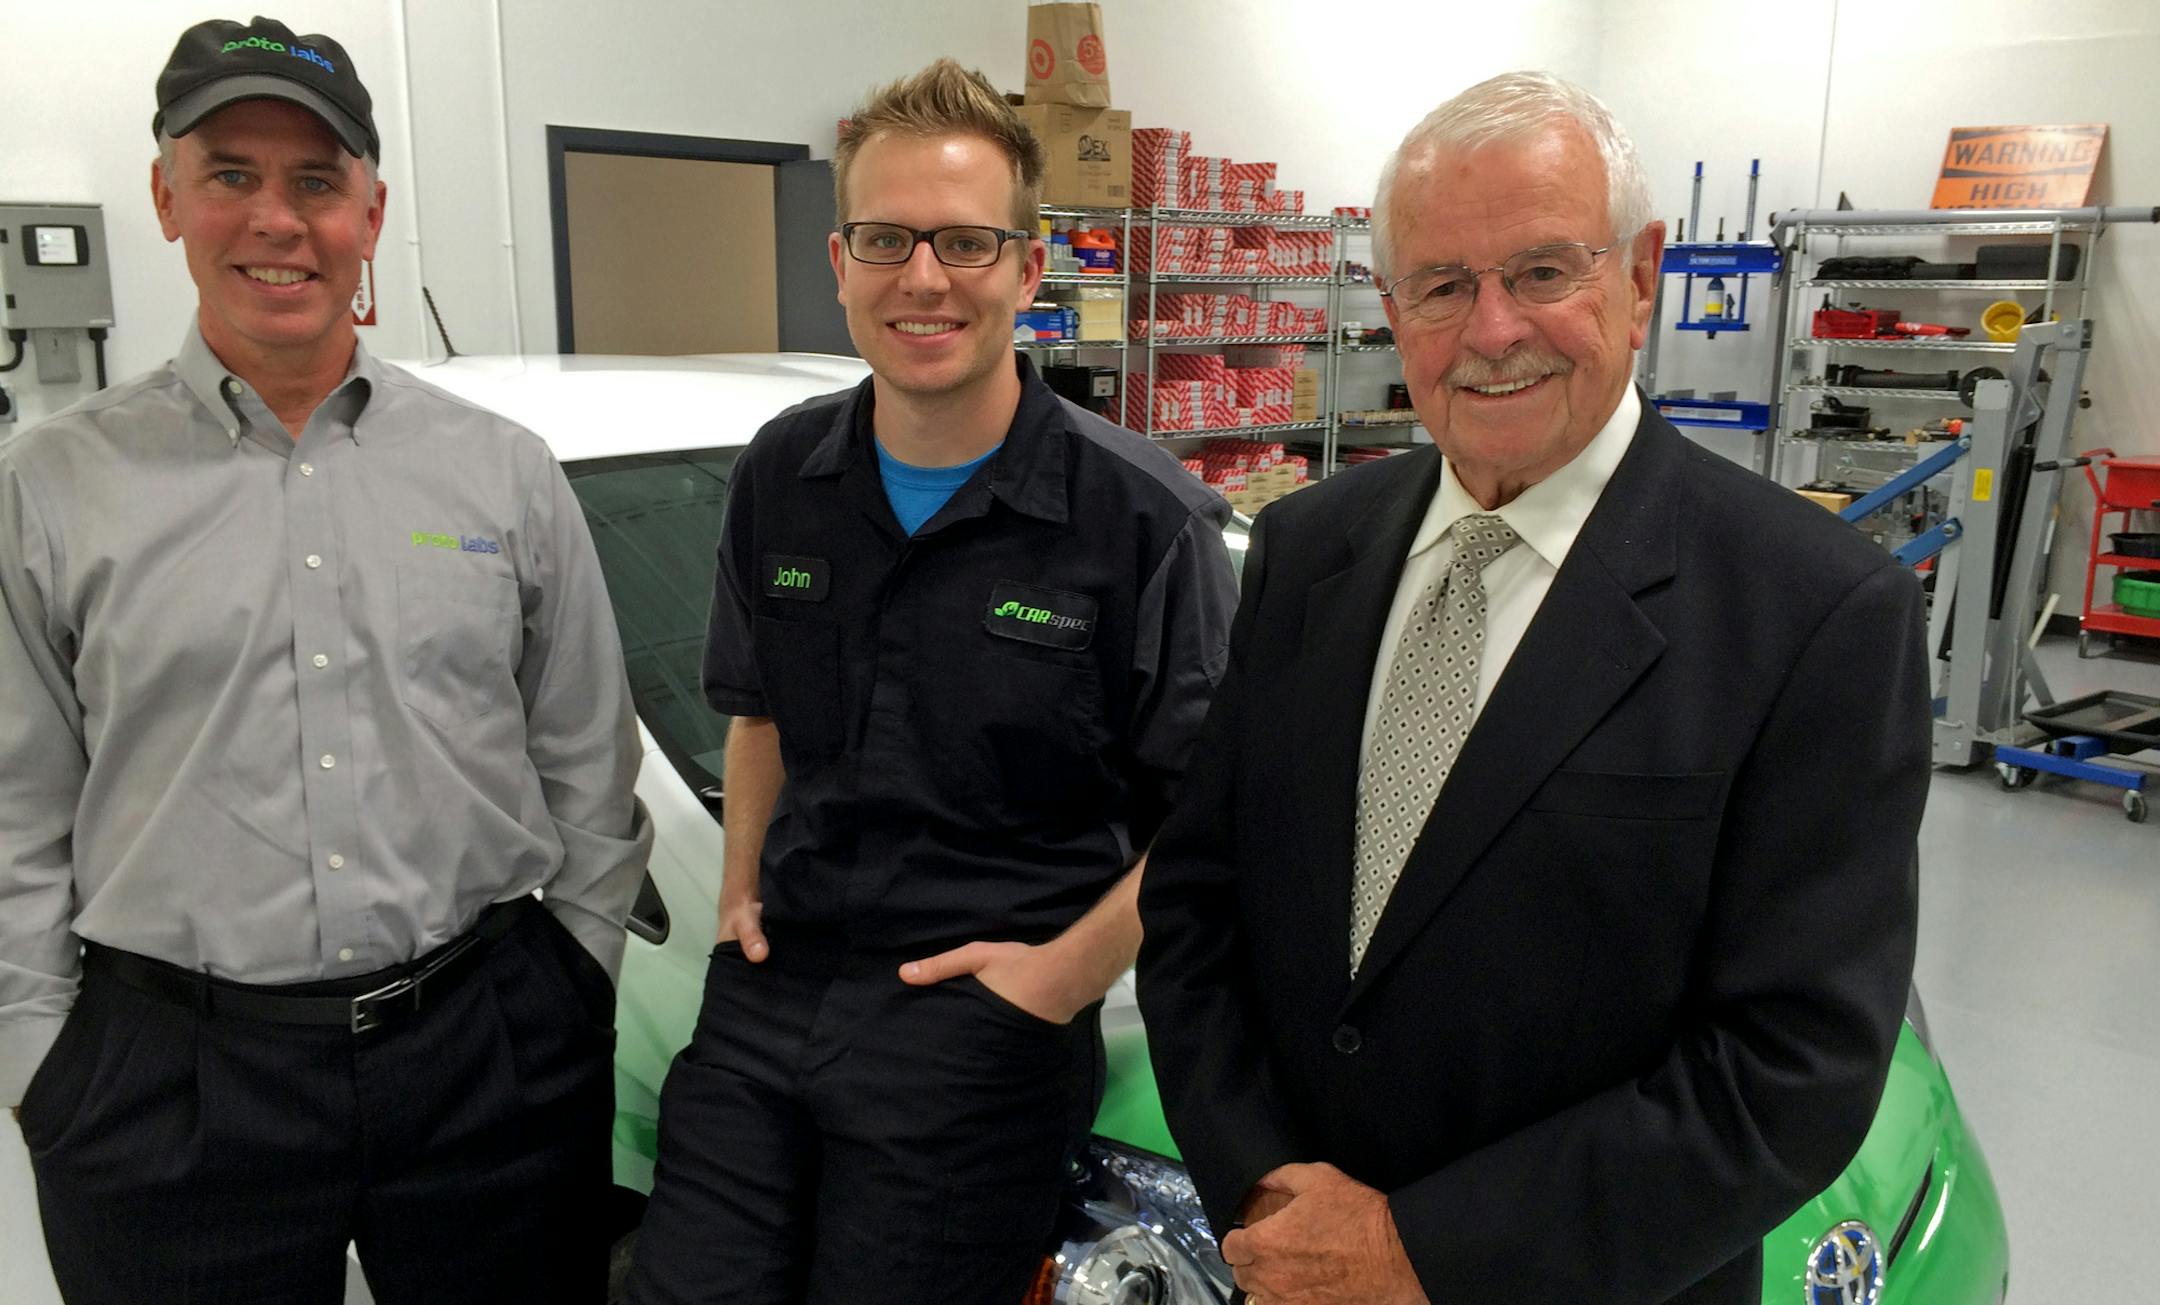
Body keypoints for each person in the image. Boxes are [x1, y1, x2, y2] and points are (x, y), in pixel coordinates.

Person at [1136, 71, 1929, 1305]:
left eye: (1544, 271)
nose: (1494, 330)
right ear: (1391, 308)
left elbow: (1792, 1067)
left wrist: (1421, 1253)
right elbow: (1199, 903)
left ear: (1641, 276)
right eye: (1442, 285)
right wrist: (1262, 1187)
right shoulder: (1306, 550)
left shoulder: (1813, 612)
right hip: (1289, 1266)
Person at [0, 17, 650, 1303]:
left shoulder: (501, 471)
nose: (276, 220)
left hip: (484, 1055)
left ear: (371, 212)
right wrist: (44, 1063)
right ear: (166, 199)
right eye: (230, 174)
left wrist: (574, 974)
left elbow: (587, 751)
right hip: (173, 1081)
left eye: (315, 180)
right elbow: (14, 802)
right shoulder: (53, 486)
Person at [626, 58, 1237, 1305]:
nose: (923, 278)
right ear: (840, 260)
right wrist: (738, 889)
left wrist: (1055, 983)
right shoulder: (781, 473)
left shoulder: (1141, 520)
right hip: (771, 994)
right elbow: (756, 710)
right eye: (886, 239)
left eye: (964, 242)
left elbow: (1217, 818)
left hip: (980, 1028)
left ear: (1027, 266)